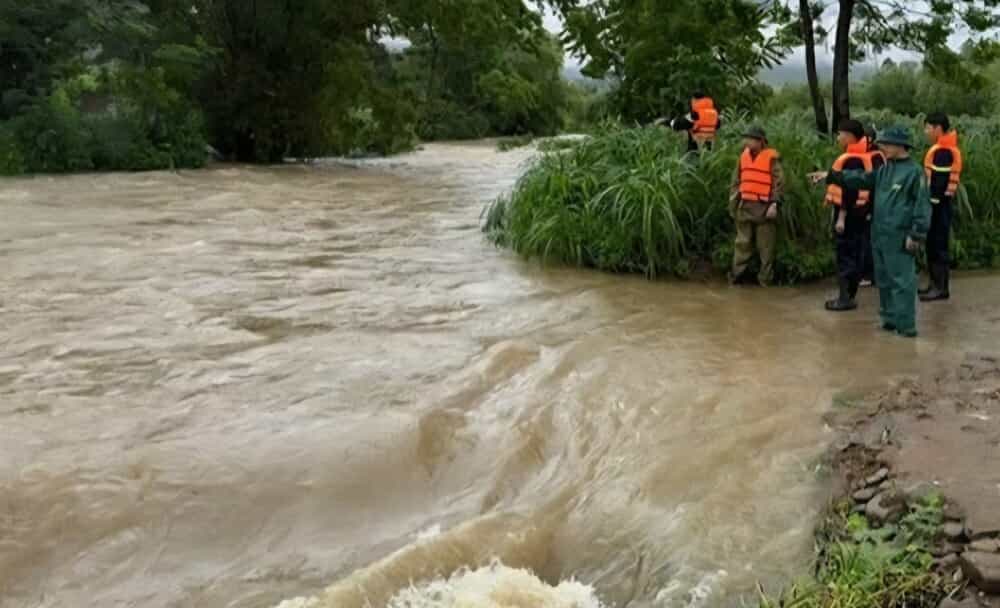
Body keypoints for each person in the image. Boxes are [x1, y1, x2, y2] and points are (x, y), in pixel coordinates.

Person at [811, 126, 931, 337]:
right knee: (883, 279)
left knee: (901, 281)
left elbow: (922, 206)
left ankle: (906, 327)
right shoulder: (885, 169)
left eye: (885, 144)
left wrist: (917, 234)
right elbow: (861, 178)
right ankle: (889, 320)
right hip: (879, 233)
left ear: (899, 146)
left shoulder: (913, 172)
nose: (882, 148)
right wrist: (830, 176)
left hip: (900, 236)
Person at [823, 119, 880, 311]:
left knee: (846, 256)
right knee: (856, 255)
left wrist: (841, 217)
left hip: (850, 217)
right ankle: (849, 296)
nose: (838, 137)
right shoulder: (869, 155)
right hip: (863, 215)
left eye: (840, 134)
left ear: (849, 136)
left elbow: (849, 191)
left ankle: (845, 298)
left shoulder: (853, 158)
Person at [730, 126, 784, 286]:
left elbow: (779, 183)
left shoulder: (771, 159)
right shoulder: (743, 157)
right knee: (742, 244)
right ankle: (736, 277)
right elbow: (735, 183)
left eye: (750, 138)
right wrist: (733, 205)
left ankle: (765, 281)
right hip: (745, 206)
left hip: (764, 208)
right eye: (745, 138)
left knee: (765, 249)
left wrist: (774, 204)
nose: (746, 141)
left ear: (760, 141)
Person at [920, 112, 963, 302]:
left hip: (939, 206)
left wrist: (931, 205)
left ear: (938, 128)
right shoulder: (942, 148)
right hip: (939, 205)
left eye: (928, 127)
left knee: (938, 245)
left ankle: (940, 288)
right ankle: (935, 284)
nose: (925, 131)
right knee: (933, 245)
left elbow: (939, 182)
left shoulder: (943, 151)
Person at [860, 123, 883, 288]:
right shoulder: (868, 155)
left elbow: (875, 185)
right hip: (865, 207)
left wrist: (869, 210)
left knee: (869, 241)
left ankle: (870, 275)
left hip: (872, 208)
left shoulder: (875, 157)